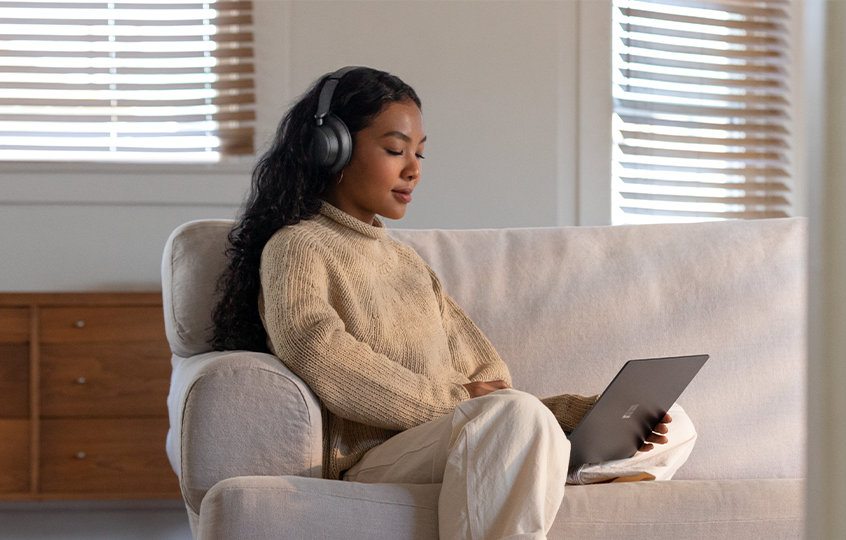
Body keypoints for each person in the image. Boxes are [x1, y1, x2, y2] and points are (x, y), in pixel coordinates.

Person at [210, 66, 692, 540]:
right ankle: (536, 467)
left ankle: (541, 468)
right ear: (330, 148)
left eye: (419, 153)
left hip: (462, 438)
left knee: (672, 423)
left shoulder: (407, 261)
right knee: (517, 421)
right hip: (379, 456)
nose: (414, 168)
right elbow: (318, 352)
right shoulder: (298, 246)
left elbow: (489, 383)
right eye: (395, 149)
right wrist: (461, 403)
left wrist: (572, 412)